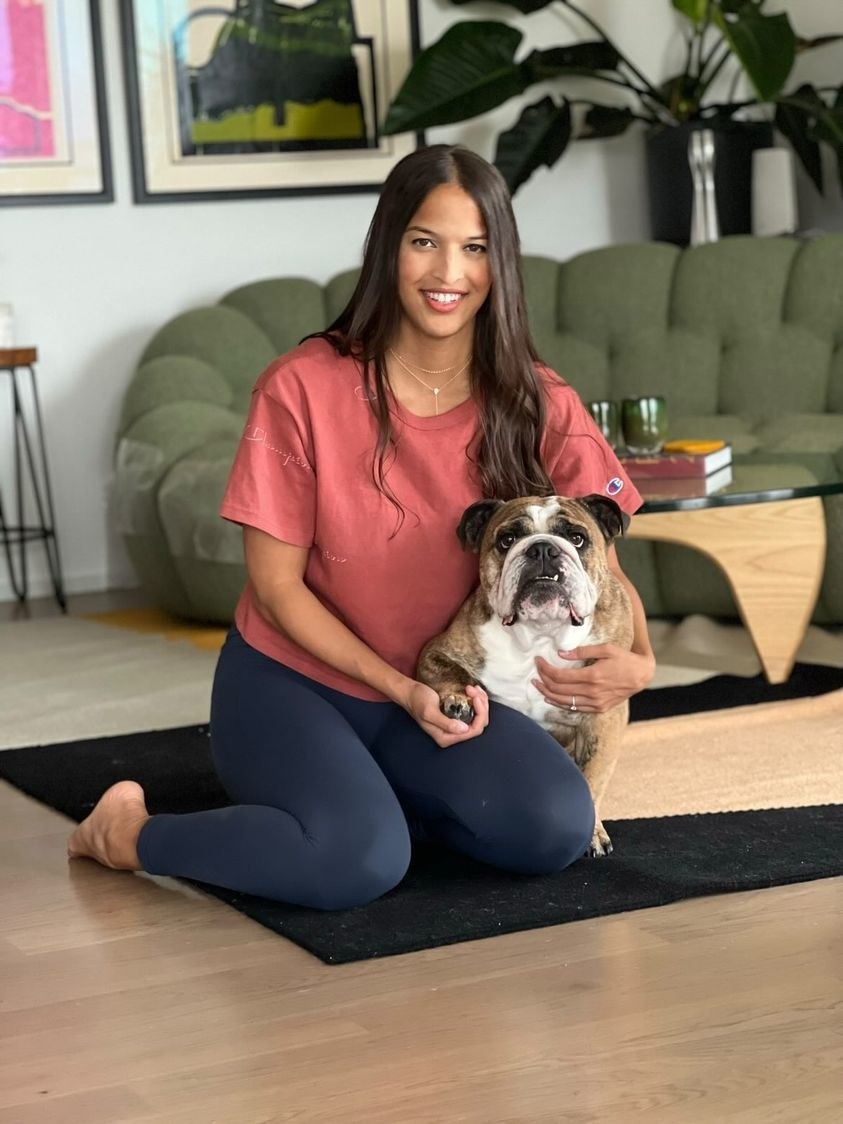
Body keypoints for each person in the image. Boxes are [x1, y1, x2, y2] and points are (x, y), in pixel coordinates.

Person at [68, 144, 655, 909]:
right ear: (387, 248)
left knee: (551, 828)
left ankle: (384, 802)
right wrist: (402, 691)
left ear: (499, 265)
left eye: (474, 249)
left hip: (447, 694)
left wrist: (641, 664)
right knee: (355, 864)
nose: (449, 272)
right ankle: (128, 833)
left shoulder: (538, 399)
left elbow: (602, 562)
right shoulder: (302, 386)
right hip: (297, 682)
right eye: (424, 242)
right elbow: (276, 591)